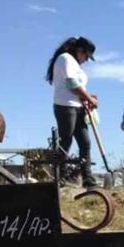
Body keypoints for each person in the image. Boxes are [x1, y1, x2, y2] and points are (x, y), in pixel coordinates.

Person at [46, 36, 98, 188]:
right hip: (65, 106)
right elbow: (71, 84)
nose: (86, 60)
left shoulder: (75, 64)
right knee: (66, 141)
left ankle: (88, 178)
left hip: (78, 107)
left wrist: (89, 97)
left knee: (85, 142)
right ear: (79, 51)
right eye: (86, 56)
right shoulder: (65, 58)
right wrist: (88, 97)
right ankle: (60, 177)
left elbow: (78, 86)